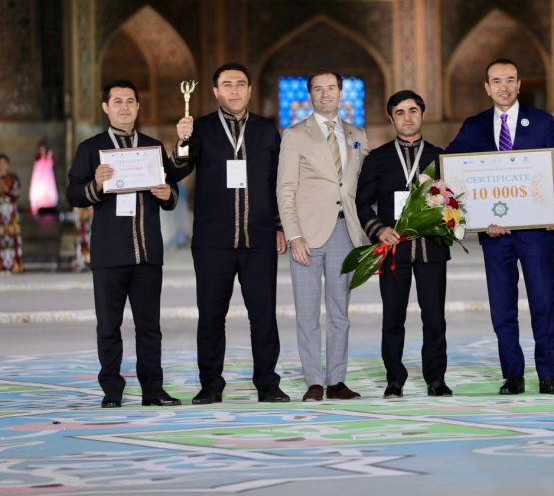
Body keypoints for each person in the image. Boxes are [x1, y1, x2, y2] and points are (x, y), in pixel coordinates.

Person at [446, 58, 554, 395]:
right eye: (496, 81)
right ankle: (513, 375)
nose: (503, 86)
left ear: (519, 84)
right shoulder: (474, 126)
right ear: (487, 87)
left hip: (535, 233)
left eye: (510, 80)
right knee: (503, 308)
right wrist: (471, 214)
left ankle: (549, 374)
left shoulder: (543, 122)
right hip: (494, 233)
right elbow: (451, 169)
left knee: (544, 303)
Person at [169, 63, 290, 404]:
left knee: (264, 315)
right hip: (212, 242)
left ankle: (268, 383)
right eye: (227, 85)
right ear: (215, 92)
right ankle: (210, 385)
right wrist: (182, 140)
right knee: (210, 316)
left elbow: (277, 183)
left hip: (259, 239)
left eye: (240, 84)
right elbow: (176, 171)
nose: (234, 90)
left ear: (250, 90)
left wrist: (280, 225)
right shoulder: (201, 128)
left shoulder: (267, 131)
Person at [65, 80, 180, 408]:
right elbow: (73, 194)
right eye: (118, 101)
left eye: (131, 100)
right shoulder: (91, 148)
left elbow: (170, 191)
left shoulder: (153, 147)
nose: (125, 106)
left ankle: (153, 390)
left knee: (149, 327)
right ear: (106, 107)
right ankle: (112, 391)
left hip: (147, 252)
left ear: (138, 106)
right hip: (109, 253)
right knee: (109, 327)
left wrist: (166, 194)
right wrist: (95, 184)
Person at [277, 70, 369, 402]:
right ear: (311, 96)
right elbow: (285, 190)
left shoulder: (357, 134)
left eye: (331, 88)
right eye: (319, 89)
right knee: (307, 312)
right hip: (307, 235)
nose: (326, 93)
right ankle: (314, 381)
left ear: (341, 93)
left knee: (340, 311)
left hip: (346, 230)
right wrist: (293, 235)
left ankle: (337, 380)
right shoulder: (295, 135)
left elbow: (363, 185)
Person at [355, 91, 452, 399]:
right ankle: (394, 380)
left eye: (413, 111)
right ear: (391, 118)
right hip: (393, 251)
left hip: (431, 249)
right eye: (400, 112)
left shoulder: (440, 156)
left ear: (422, 114)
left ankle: (436, 379)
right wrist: (378, 228)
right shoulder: (378, 158)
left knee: (434, 317)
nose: (407, 117)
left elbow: (454, 200)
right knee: (393, 318)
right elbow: (361, 202)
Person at [0, 154, 25, 274]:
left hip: (10, 213)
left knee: (12, 238)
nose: (1, 165)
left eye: (4, 163)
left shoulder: (12, 178)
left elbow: (17, 192)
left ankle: (14, 264)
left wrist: (7, 191)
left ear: (7, 164)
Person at [29, 141, 59, 215]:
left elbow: (50, 164)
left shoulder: (48, 157)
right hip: (39, 179)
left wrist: (48, 156)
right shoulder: (37, 158)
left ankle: (49, 207)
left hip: (47, 178)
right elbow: (37, 167)